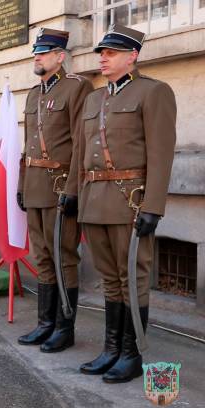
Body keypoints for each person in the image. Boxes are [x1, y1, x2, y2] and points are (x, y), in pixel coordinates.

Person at [66, 24, 176, 383]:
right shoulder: (94, 99)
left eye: (110, 53)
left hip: (131, 201)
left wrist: (153, 207)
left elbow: (161, 154)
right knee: (110, 280)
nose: (103, 58)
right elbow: (79, 155)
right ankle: (111, 348)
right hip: (94, 199)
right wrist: (72, 193)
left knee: (132, 277)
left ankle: (133, 353)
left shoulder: (153, 92)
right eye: (101, 52)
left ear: (133, 56)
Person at [16, 29, 94, 352]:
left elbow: (82, 144)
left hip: (60, 185)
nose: (38, 56)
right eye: (36, 51)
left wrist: (74, 189)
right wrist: (21, 183)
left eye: (45, 52)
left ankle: (65, 326)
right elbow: (27, 145)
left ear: (60, 56)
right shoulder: (34, 95)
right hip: (35, 185)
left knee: (63, 257)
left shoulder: (77, 88)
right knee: (44, 257)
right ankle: (45, 324)